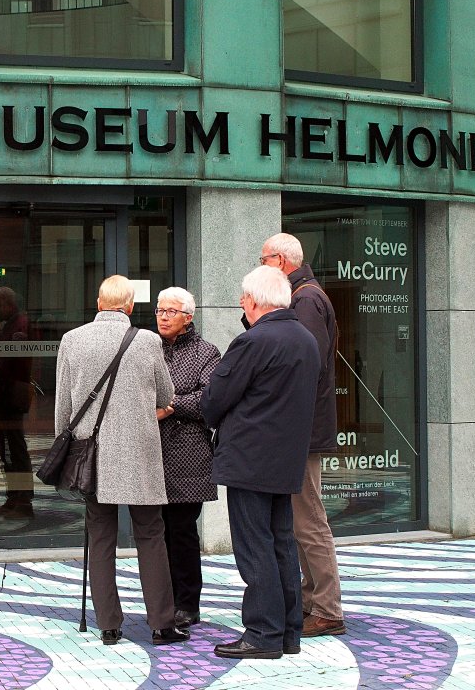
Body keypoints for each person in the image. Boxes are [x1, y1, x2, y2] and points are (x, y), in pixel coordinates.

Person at [54, 275, 189, 647]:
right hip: (140, 453)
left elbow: (63, 406)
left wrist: (66, 443)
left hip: (92, 454)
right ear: (130, 306)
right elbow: (167, 394)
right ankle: (162, 624)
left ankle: (109, 625)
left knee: (100, 536)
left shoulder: (72, 340)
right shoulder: (147, 341)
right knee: (151, 535)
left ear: (99, 303)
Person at [202, 265, 320, 659]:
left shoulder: (254, 341)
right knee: (281, 544)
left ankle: (262, 634)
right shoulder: (305, 339)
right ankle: (288, 633)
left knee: (254, 548)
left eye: (243, 299)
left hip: (251, 459)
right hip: (287, 459)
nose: (241, 304)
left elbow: (215, 397)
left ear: (253, 300)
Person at [260, 233, 345, 637]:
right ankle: (315, 602)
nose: (259, 265)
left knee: (308, 520)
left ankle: (326, 608)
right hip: (301, 428)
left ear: (280, 261)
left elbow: (302, 364)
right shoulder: (300, 296)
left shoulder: (306, 300)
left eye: (262, 258)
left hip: (302, 431)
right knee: (301, 519)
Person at [154, 286, 220, 631]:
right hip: (150, 453)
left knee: (181, 530)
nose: (163, 317)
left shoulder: (206, 352)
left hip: (189, 457)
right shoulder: (146, 348)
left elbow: (210, 399)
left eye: (171, 311)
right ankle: (161, 599)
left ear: (188, 317)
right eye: (160, 311)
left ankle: (187, 603)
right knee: (156, 531)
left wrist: (170, 406)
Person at [0, 287, 35, 519]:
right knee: (7, 446)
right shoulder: (11, 323)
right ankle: (14, 496)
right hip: (5, 393)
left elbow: (11, 359)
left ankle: (23, 499)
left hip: (10, 393)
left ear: (8, 304)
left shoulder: (19, 323)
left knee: (14, 446)